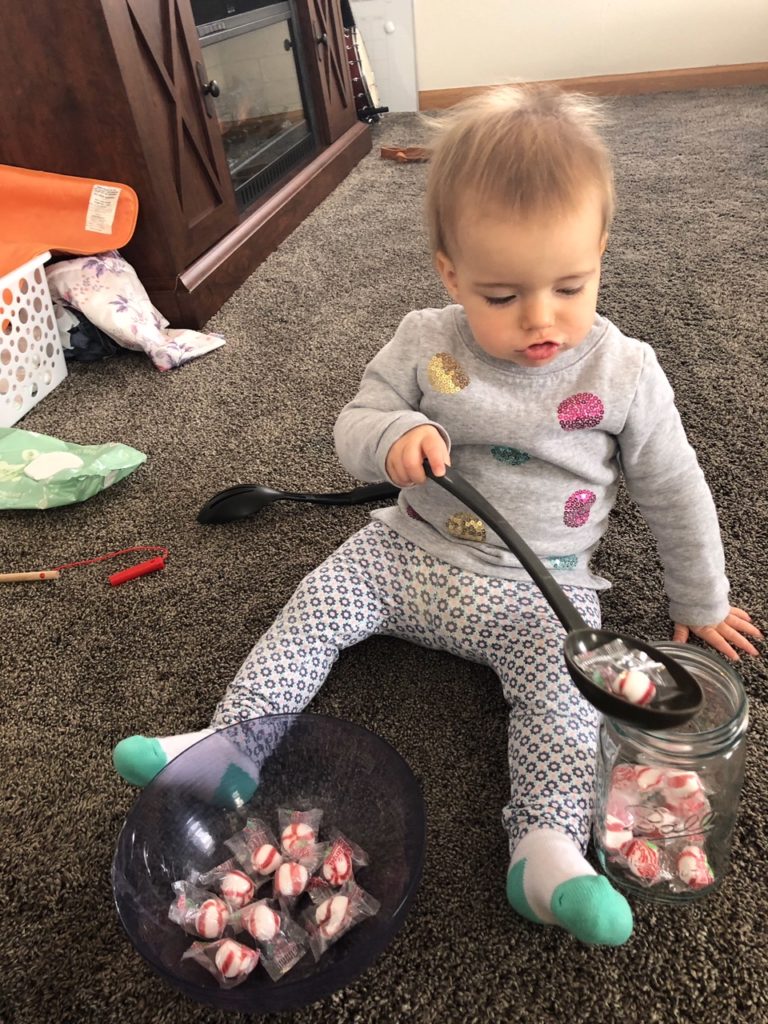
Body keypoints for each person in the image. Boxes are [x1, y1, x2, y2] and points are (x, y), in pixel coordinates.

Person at [113, 83, 762, 946]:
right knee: (314, 603)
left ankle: (545, 850)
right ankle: (232, 742)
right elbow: (352, 424)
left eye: (571, 285)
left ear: (602, 250)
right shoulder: (422, 339)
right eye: (500, 297)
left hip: (542, 591)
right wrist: (394, 434)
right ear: (451, 272)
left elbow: (674, 487)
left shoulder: (626, 371)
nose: (541, 320)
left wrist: (702, 598)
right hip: (406, 555)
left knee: (569, 699)